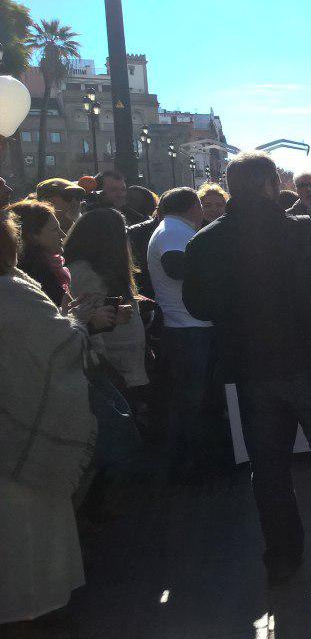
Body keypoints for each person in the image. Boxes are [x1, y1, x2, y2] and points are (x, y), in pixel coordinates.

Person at [183, 151, 311, 585]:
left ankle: (284, 557)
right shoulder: (301, 233)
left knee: (268, 470)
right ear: (271, 185)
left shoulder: (206, 242)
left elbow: (197, 304)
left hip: (254, 372)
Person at [0, 209, 117, 628]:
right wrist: (81, 320)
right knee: (26, 543)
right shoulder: (12, 290)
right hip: (21, 439)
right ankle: (30, 616)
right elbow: (61, 345)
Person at [147, 188, 224, 484]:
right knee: (194, 400)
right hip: (188, 329)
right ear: (192, 207)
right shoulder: (173, 231)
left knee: (196, 398)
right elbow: (175, 266)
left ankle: (195, 460)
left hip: (190, 327)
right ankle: (194, 464)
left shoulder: (172, 229)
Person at [65, 209, 148, 390]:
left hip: (125, 364)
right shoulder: (84, 272)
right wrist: (103, 369)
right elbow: (91, 323)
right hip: (115, 370)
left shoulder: (104, 269)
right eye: (123, 232)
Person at [9, 200, 69, 305]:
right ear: (32, 236)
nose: (63, 234)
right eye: (55, 230)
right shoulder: (36, 273)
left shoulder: (47, 264)